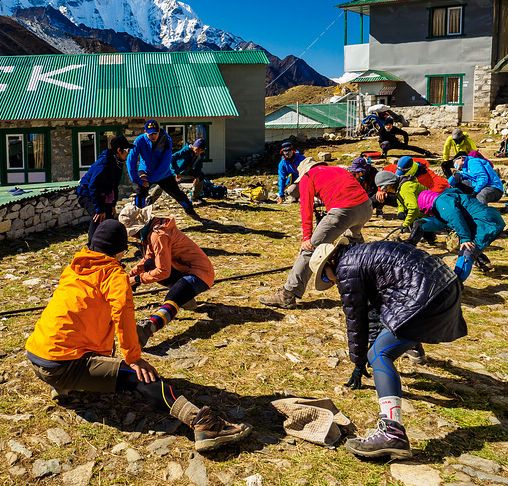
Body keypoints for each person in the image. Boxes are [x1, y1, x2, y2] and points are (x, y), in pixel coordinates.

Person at [24, 220, 251, 452]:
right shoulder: (114, 276)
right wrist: (133, 358)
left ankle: (65, 385)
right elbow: (122, 315)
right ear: (121, 250)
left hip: (36, 356)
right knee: (141, 376)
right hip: (63, 366)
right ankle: (202, 423)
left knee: (94, 344)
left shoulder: (75, 267)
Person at [309, 238, 467, 459]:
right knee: (388, 337)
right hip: (446, 285)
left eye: (326, 277)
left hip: (425, 297)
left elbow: (356, 321)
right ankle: (413, 344)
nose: (331, 282)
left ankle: (392, 432)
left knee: (379, 354)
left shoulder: (346, 268)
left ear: (330, 262)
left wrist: (359, 361)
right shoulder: (362, 255)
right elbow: (379, 313)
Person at [259, 158, 372, 309]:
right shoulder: (338, 169)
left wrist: (307, 237)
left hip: (343, 210)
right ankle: (367, 288)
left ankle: (288, 294)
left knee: (310, 249)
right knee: (355, 248)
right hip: (366, 206)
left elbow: (306, 208)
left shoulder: (308, 177)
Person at [118, 203, 214, 347]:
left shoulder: (158, 235)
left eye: (133, 234)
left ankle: (148, 327)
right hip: (184, 270)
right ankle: (186, 299)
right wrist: (129, 276)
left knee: (172, 298)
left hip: (200, 274)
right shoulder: (154, 229)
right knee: (150, 264)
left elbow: (163, 271)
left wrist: (138, 279)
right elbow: (148, 260)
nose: (135, 238)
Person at [411, 189, 505, 279]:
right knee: (471, 249)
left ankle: (456, 283)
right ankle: (482, 263)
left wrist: (465, 238)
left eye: (426, 211)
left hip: (485, 223)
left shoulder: (441, 202)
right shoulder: (447, 197)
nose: (430, 214)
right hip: (491, 219)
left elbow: (455, 216)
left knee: (467, 250)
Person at [127, 120, 201, 221]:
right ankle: (139, 216)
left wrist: (150, 179)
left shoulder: (166, 140)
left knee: (176, 192)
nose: (153, 136)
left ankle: (190, 209)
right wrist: (137, 179)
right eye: (150, 134)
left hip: (163, 173)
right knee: (140, 192)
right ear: (145, 132)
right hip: (146, 170)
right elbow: (131, 160)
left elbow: (165, 164)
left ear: (159, 131)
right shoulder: (139, 140)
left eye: (155, 133)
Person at [76, 135, 135, 245]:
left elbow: (114, 186)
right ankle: (92, 247)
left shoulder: (118, 162)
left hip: (101, 194)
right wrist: (99, 209)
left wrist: (112, 204)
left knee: (110, 216)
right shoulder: (104, 164)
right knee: (98, 216)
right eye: (127, 150)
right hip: (87, 194)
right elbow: (93, 186)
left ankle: (108, 243)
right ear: (119, 150)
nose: (128, 153)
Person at [161, 137, 207, 203]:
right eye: (197, 149)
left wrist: (197, 176)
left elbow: (198, 167)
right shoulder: (186, 151)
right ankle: (150, 199)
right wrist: (176, 172)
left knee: (201, 176)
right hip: (176, 170)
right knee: (163, 181)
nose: (198, 152)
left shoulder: (200, 155)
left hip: (187, 171)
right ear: (193, 146)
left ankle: (195, 197)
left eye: (201, 150)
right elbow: (172, 158)